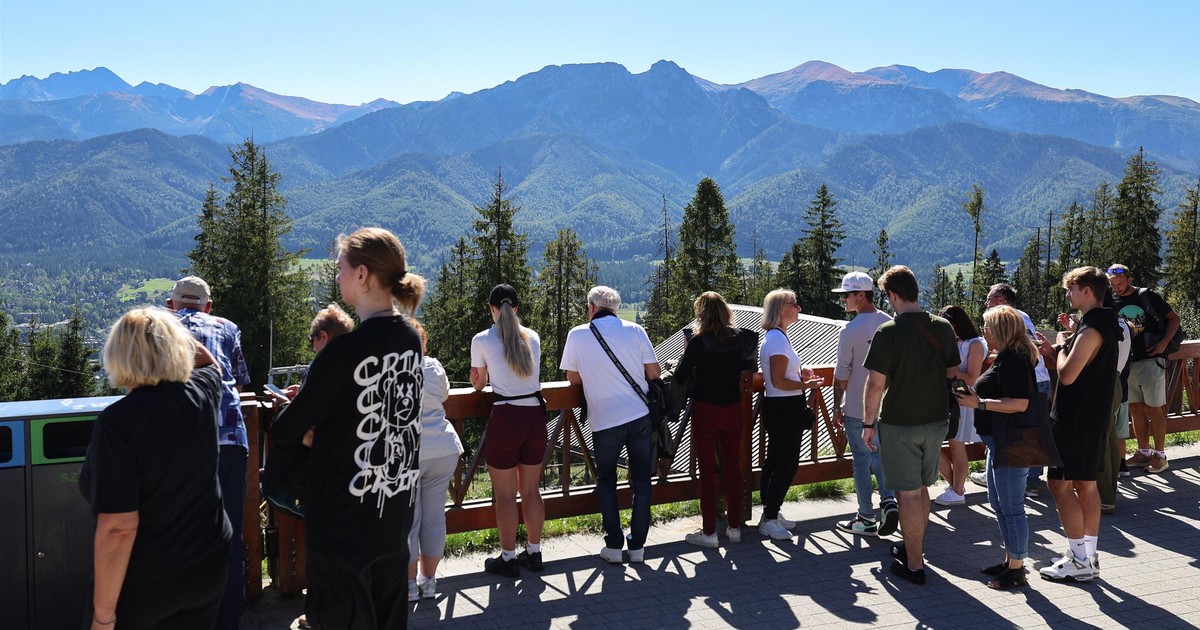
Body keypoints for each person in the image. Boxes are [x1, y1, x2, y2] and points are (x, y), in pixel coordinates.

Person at [270, 227, 425, 629]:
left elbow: (286, 429)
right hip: (394, 514)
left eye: (341, 268)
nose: (337, 276)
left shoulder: (344, 350)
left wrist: (307, 430)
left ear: (362, 274)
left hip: (343, 524)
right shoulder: (410, 339)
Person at [80, 307, 232, 629]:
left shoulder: (118, 423)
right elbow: (211, 364)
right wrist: (169, 331)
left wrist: (103, 617)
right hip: (208, 562)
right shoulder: (202, 392)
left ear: (118, 355)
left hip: (147, 578)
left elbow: (119, 529)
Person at [863, 266, 959, 585]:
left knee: (907, 495)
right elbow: (952, 372)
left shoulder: (888, 332)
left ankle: (914, 565)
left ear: (892, 295)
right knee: (921, 488)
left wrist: (867, 423)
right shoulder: (943, 327)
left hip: (900, 423)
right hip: (936, 421)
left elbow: (875, 385)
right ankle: (913, 547)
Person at [166, 275, 252, 630]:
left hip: (178, 445)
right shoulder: (227, 327)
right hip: (230, 440)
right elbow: (240, 381)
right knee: (228, 535)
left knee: (178, 534)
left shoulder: (159, 327)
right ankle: (228, 619)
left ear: (171, 304)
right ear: (209, 306)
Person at [560, 286, 660, 564]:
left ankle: (614, 545)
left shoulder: (577, 334)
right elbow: (654, 372)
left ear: (591, 307)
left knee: (606, 481)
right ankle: (637, 547)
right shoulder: (635, 330)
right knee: (642, 481)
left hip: (604, 419)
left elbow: (573, 379)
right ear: (615, 308)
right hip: (639, 415)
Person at [1039, 266, 1121, 582]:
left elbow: (1067, 375)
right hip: (1092, 417)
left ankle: (1078, 558)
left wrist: (1060, 346)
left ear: (1087, 291)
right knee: (1086, 485)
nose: (1068, 295)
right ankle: (1088, 556)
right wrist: (1060, 348)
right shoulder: (1104, 323)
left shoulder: (1091, 329)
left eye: (1071, 289)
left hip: (1075, 419)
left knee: (1059, 484)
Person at [954, 306, 1037, 589]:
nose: (983, 331)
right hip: (998, 440)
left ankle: (1017, 568)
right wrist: (975, 397)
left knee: (1012, 507)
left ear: (1000, 330)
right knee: (998, 502)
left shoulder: (1014, 359)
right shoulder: (1005, 356)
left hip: (1011, 441)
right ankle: (1011, 558)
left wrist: (979, 404)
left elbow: (1020, 403)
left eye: (987, 327)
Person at [471, 284, 546, 577]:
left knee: (504, 495)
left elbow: (479, 384)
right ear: (516, 309)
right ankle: (534, 552)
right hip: (535, 417)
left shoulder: (482, 340)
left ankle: (508, 558)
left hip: (506, 417)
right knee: (531, 490)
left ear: (491, 309)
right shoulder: (533, 337)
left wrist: (478, 379)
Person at [673, 291, 758, 548]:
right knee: (733, 469)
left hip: (706, 409)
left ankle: (709, 532)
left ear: (701, 314)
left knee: (708, 472)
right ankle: (734, 527)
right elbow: (748, 368)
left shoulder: (699, 342)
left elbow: (680, 375)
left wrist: (688, 353)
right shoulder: (741, 338)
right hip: (732, 407)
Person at [830, 272, 898, 537]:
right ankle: (889, 502)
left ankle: (866, 517)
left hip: (858, 408)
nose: (843, 300)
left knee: (860, 462)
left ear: (860, 295)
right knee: (883, 458)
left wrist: (837, 406)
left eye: (846, 295)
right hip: (888, 407)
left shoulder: (849, 330)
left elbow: (842, 374)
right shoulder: (890, 322)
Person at [757, 289, 824, 541]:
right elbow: (778, 381)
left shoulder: (778, 337)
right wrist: (807, 384)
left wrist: (800, 373)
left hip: (781, 406)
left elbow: (781, 376)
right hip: (784, 407)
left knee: (776, 461)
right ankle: (770, 518)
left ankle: (770, 512)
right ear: (781, 308)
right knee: (785, 463)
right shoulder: (777, 339)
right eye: (794, 304)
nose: (799, 308)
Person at [407, 320, 464, 601]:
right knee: (433, 518)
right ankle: (428, 582)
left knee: (408, 520)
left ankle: (407, 585)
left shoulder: (393, 369)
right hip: (443, 448)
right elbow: (444, 395)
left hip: (409, 452)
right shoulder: (434, 366)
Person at [1107, 263, 1181, 474]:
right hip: (1128, 361)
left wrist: (1163, 344)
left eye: (1120, 283)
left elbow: (1174, 319)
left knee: (1154, 409)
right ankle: (1143, 452)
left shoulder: (1146, 295)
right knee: (1136, 408)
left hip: (1152, 359)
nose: (1117, 288)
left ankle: (1160, 456)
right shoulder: (1111, 300)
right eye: (1113, 284)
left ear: (1129, 279)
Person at [980, 283, 1052, 497]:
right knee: (1031, 429)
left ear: (1001, 300)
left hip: (1030, 380)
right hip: (1038, 378)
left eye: (989, 299)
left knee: (1025, 430)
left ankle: (1026, 480)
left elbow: (1027, 348)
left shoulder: (1010, 318)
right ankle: (1028, 479)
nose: (986, 304)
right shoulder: (1021, 317)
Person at [934, 305, 986, 507]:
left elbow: (972, 377)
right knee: (933, 444)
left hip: (963, 398)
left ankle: (957, 491)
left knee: (956, 444)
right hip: (944, 396)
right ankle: (956, 487)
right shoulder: (952, 341)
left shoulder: (975, 344)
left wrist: (946, 368)